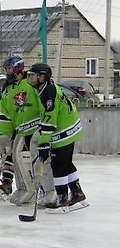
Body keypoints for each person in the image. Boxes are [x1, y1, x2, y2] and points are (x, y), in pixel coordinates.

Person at [26, 63, 88, 213]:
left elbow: (49, 118)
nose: (30, 78)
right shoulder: (46, 88)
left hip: (63, 131)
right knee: (66, 163)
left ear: (42, 77)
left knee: (58, 165)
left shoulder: (48, 92)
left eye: (33, 75)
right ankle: (77, 193)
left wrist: (44, 143)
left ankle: (62, 198)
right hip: (70, 128)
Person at [0, 55, 54, 206]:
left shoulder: (30, 85)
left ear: (18, 69)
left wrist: (45, 126)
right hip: (20, 131)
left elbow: (44, 106)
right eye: (6, 69)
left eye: (9, 68)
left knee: (39, 162)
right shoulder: (7, 89)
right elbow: (5, 114)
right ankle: (23, 188)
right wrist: (5, 135)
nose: (7, 72)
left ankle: (48, 191)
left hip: (35, 128)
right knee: (16, 161)